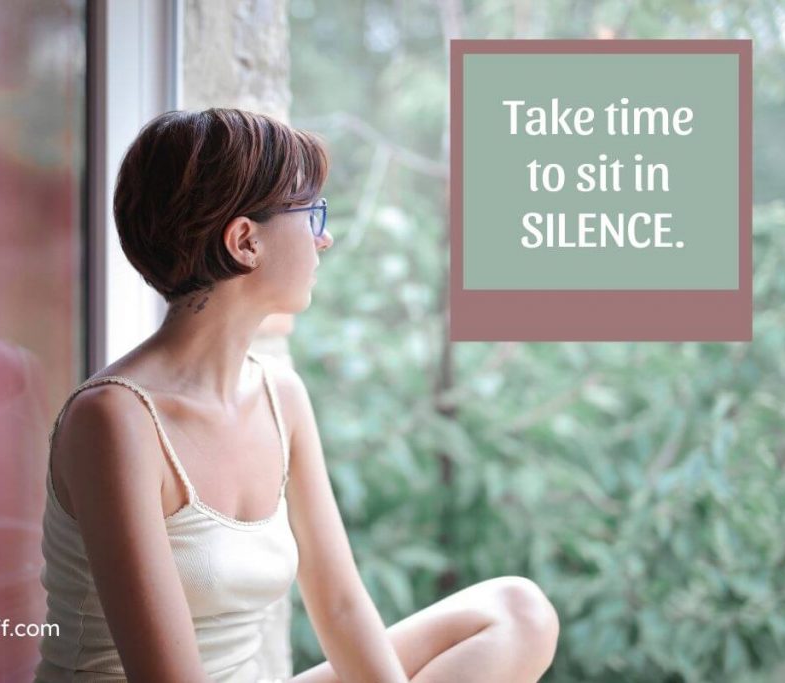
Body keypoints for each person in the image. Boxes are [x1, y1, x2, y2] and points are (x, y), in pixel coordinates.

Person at [33, 108, 560, 683]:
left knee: (516, 612)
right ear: (244, 241)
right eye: (312, 215)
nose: (325, 238)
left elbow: (338, 604)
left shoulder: (280, 394)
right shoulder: (113, 421)